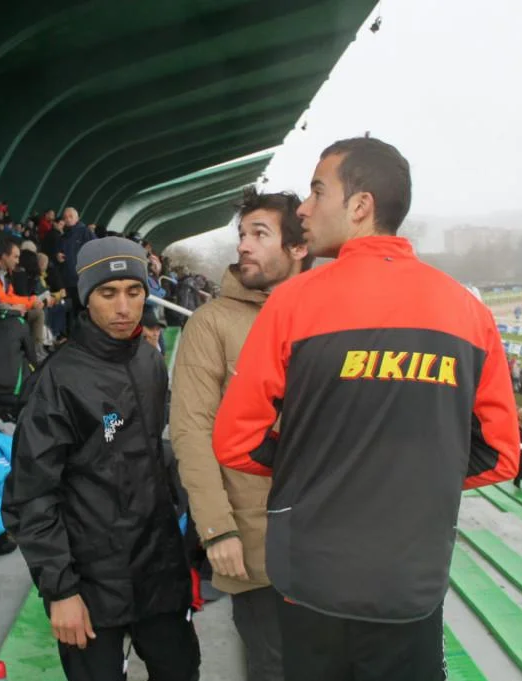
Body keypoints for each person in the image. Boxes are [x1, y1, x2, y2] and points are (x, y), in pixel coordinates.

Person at [212, 137, 520, 681]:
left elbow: (235, 441)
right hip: (409, 583)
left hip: (311, 580)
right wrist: (410, 477)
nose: (303, 209)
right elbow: (499, 455)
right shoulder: (468, 311)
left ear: (360, 206)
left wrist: (314, 469)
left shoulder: (292, 301)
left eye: (317, 191)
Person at [3, 236, 199, 681]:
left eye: (133, 291)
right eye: (108, 293)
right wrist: (60, 591)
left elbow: (152, 458)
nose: (123, 308)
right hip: (91, 581)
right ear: (86, 297)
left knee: (182, 670)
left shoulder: (150, 361)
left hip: (158, 569)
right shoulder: (57, 381)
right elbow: (31, 496)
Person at [171, 188, 311, 681]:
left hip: (330, 541)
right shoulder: (211, 324)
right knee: (275, 668)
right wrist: (218, 529)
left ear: (298, 248)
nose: (243, 246)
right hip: (255, 541)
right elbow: (191, 431)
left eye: (259, 234)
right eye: (242, 234)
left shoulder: (329, 318)